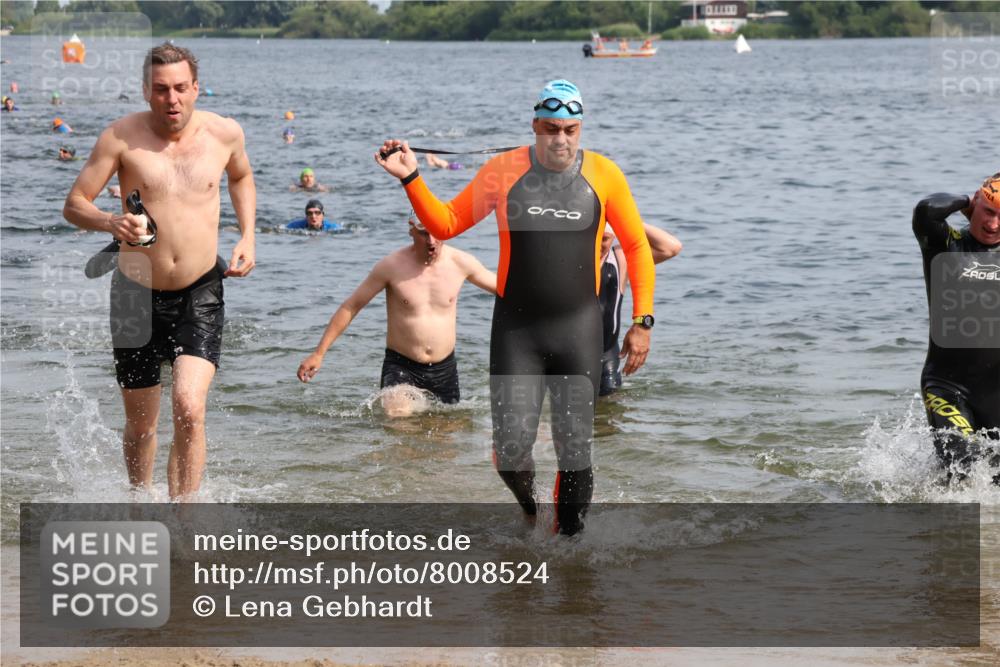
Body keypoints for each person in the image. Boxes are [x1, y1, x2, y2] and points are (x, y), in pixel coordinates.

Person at [375, 79, 656, 535]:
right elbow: (446, 224)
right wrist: (411, 177)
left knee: (575, 451)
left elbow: (638, 247)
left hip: (578, 329)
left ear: (580, 128)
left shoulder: (604, 174)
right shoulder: (503, 171)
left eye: (569, 129)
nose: (560, 139)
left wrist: (642, 320)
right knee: (509, 452)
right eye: (550, 128)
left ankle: (571, 554)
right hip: (516, 331)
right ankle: (531, 510)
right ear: (534, 126)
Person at [62, 42, 256, 500]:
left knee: (189, 408)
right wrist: (111, 221)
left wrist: (247, 234)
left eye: (181, 88)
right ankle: (138, 505)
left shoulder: (225, 134)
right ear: (146, 91)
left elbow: (241, 177)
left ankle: (183, 519)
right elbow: (74, 204)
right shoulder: (120, 138)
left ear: (196, 87)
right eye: (161, 89)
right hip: (133, 293)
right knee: (141, 425)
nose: (173, 100)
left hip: (200, 289)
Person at [297, 214, 496, 417]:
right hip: (402, 366)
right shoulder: (391, 266)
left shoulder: (461, 263)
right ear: (411, 231)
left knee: (445, 438)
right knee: (398, 420)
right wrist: (319, 353)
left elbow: (503, 288)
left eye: (437, 234)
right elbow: (351, 306)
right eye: (424, 234)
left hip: (444, 369)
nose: (431, 241)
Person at [912, 173, 999, 484]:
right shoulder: (946, 245)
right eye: (989, 211)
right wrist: (968, 200)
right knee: (960, 472)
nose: (993, 224)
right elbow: (926, 210)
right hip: (948, 387)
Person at [599, 224, 681, 396]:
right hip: (565, 349)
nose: (598, 244)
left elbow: (670, 247)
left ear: (613, 237)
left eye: (604, 238)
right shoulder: (567, 259)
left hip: (604, 354)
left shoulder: (619, 258)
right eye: (594, 237)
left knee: (608, 411)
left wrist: (620, 216)